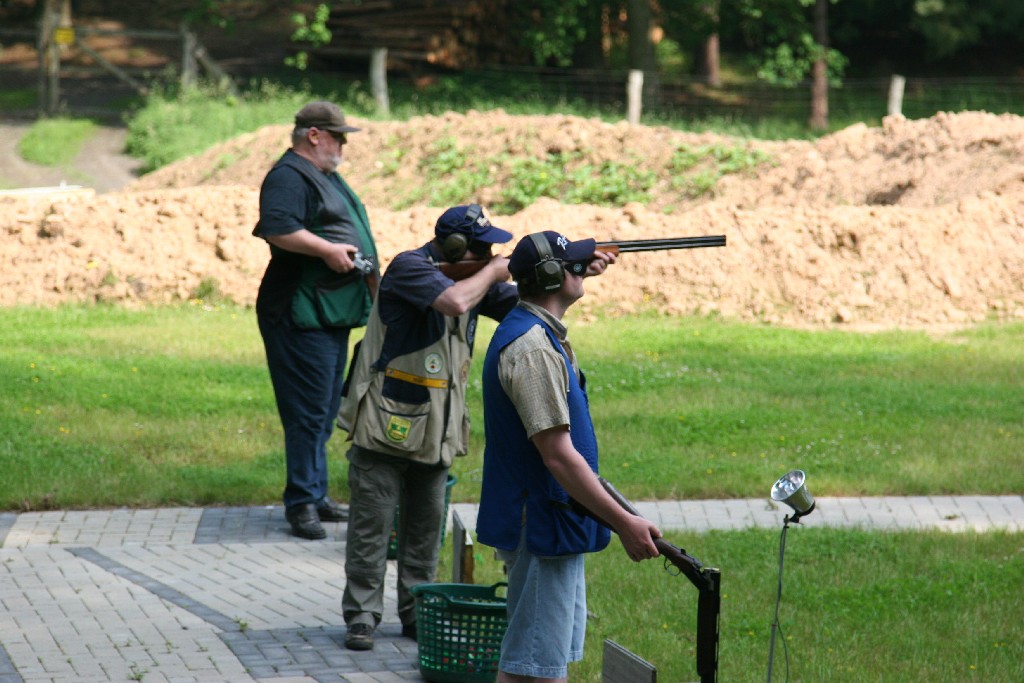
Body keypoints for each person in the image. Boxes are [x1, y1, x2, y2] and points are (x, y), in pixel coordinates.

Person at [476, 231, 661, 683]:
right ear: (551, 277)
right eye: (571, 266)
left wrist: (578, 268)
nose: (582, 271)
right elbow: (558, 457)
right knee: (534, 668)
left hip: (552, 517)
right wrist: (624, 522)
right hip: (543, 521)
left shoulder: (534, 328)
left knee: (536, 662)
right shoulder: (533, 349)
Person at [336, 204, 517, 651]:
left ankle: (418, 613)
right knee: (370, 529)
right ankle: (361, 616)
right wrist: (493, 272)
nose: (490, 255)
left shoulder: (472, 279)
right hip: (385, 425)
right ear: (454, 247)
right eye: (482, 249)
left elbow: (523, 303)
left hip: (437, 430)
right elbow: (455, 301)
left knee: (425, 533)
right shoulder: (409, 268)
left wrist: (566, 273)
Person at [253, 101, 379, 541]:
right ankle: (302, 502)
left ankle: (315, 494)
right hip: (298, 313)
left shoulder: (321, 174)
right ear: (313, 135)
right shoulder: (289, 176)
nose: (343, 145)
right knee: (307, 411)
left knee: (323, 409)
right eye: (338, 136)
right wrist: (327, 250)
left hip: (326, 312)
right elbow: (276, 228)